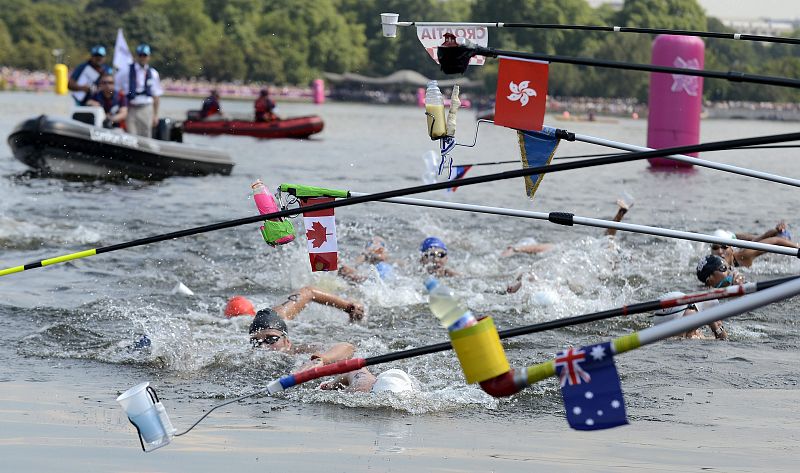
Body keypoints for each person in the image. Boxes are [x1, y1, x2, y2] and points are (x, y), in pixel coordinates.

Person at [248, 309, 414, 393]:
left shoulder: (302, 350)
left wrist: (321, 359)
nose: (263, 346)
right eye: (256, 341)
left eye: (271, 339)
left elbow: (347, 347)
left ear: (287, 341)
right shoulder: (247, 361)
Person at [502, 195, 632, 257]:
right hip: (584, 254)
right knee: (605, 243)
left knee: (605, 244)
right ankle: (619, 215)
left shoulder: (558, 250)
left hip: (571, 254)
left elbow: (539, 248)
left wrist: (516, 249)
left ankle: (516, 248)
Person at [116, 43, 163, 137]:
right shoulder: (125, 71)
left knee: (146, 134)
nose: (142, 58)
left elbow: (156, 96)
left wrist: (156, 115)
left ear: (149, 57)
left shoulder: (153, 73)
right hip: (130, 108)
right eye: (140, 55)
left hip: (146, 108)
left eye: (145, 55)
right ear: (136, 56)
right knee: (131, 135)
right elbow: (115, 88)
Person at [711, 222, 797, 268]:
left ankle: (777, 230)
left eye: (724, 247)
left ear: (732, 249)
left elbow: (776, 240)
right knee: (754, 240)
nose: (719, 251)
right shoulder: (709, 262)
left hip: (781, 237)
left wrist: (798, 248)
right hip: (745, 241)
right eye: (715, 247)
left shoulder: (743, 255)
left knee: (756, 242)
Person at [652, 291, 727, 340]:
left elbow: (723, 342)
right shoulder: (679, 340)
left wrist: (716, 328)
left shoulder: (696, 335)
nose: (698, 311)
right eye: (692, 306)